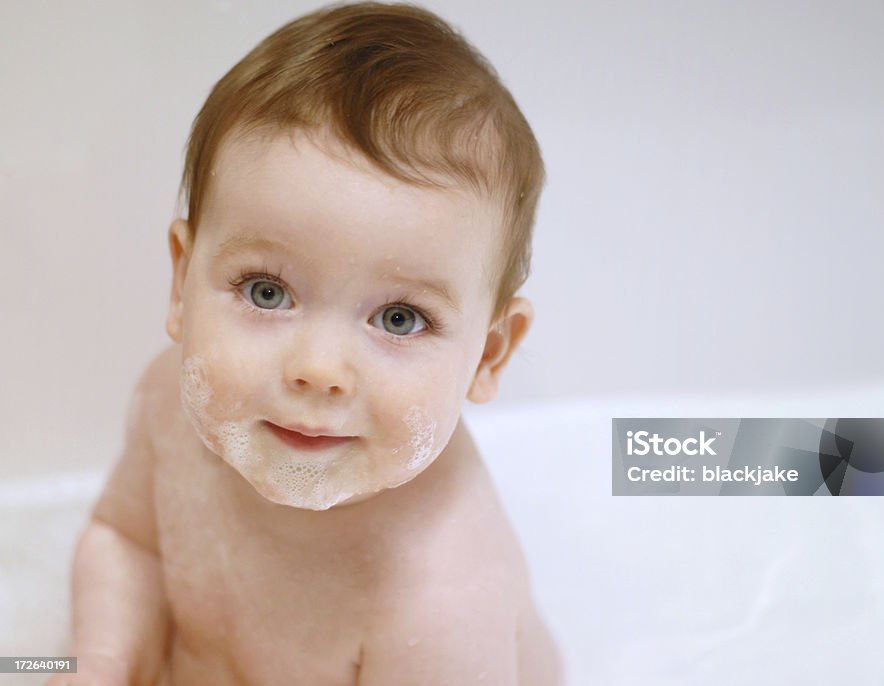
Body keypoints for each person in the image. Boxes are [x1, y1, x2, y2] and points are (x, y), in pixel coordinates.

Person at [50, 2, 561, 684]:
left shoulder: (442, 592)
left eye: (401, 318)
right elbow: (128, 542)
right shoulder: (166, 405)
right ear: (182, 281)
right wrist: (105, 661)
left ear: (490, 354)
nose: (320, 371)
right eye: (267, 291)